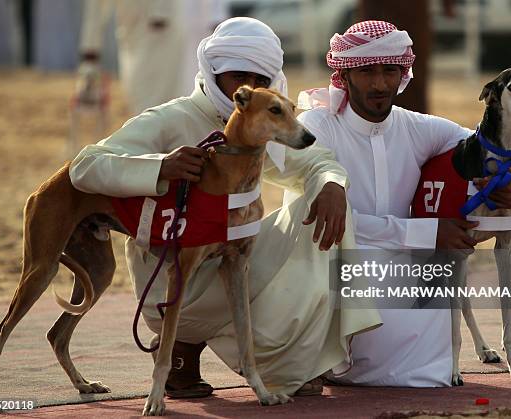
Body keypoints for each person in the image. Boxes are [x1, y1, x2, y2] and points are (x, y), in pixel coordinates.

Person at [70, 17, 381, 398]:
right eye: (237, 75)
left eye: (260, 79)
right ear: (213, 72)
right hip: (172, 287)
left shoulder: (263, 121)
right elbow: (84, 166)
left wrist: (332, 185)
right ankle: (182, 351)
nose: (247, 87)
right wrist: (158, 167)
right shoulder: (173, 118)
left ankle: (290, 364)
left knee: (324, 210)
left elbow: (319, 164)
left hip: (232, 268)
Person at [294, 20, 511, 386]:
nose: (379, 84)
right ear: (343, 76)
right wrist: (426, 231)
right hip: (327, 264)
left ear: (403, 74)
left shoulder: (416, 127)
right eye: (366, 71)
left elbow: (487, 145)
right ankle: (315, 356)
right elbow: (337, 216)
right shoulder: (318, 124)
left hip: (400, 265)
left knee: (427, 355)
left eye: (389, 71)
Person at [79, 0, 228, 114]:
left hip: (174, 34)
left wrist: (215, 16)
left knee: (178, 101)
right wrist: (90, 51)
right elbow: (96, 9)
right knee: (142, 104)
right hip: (135, 36)